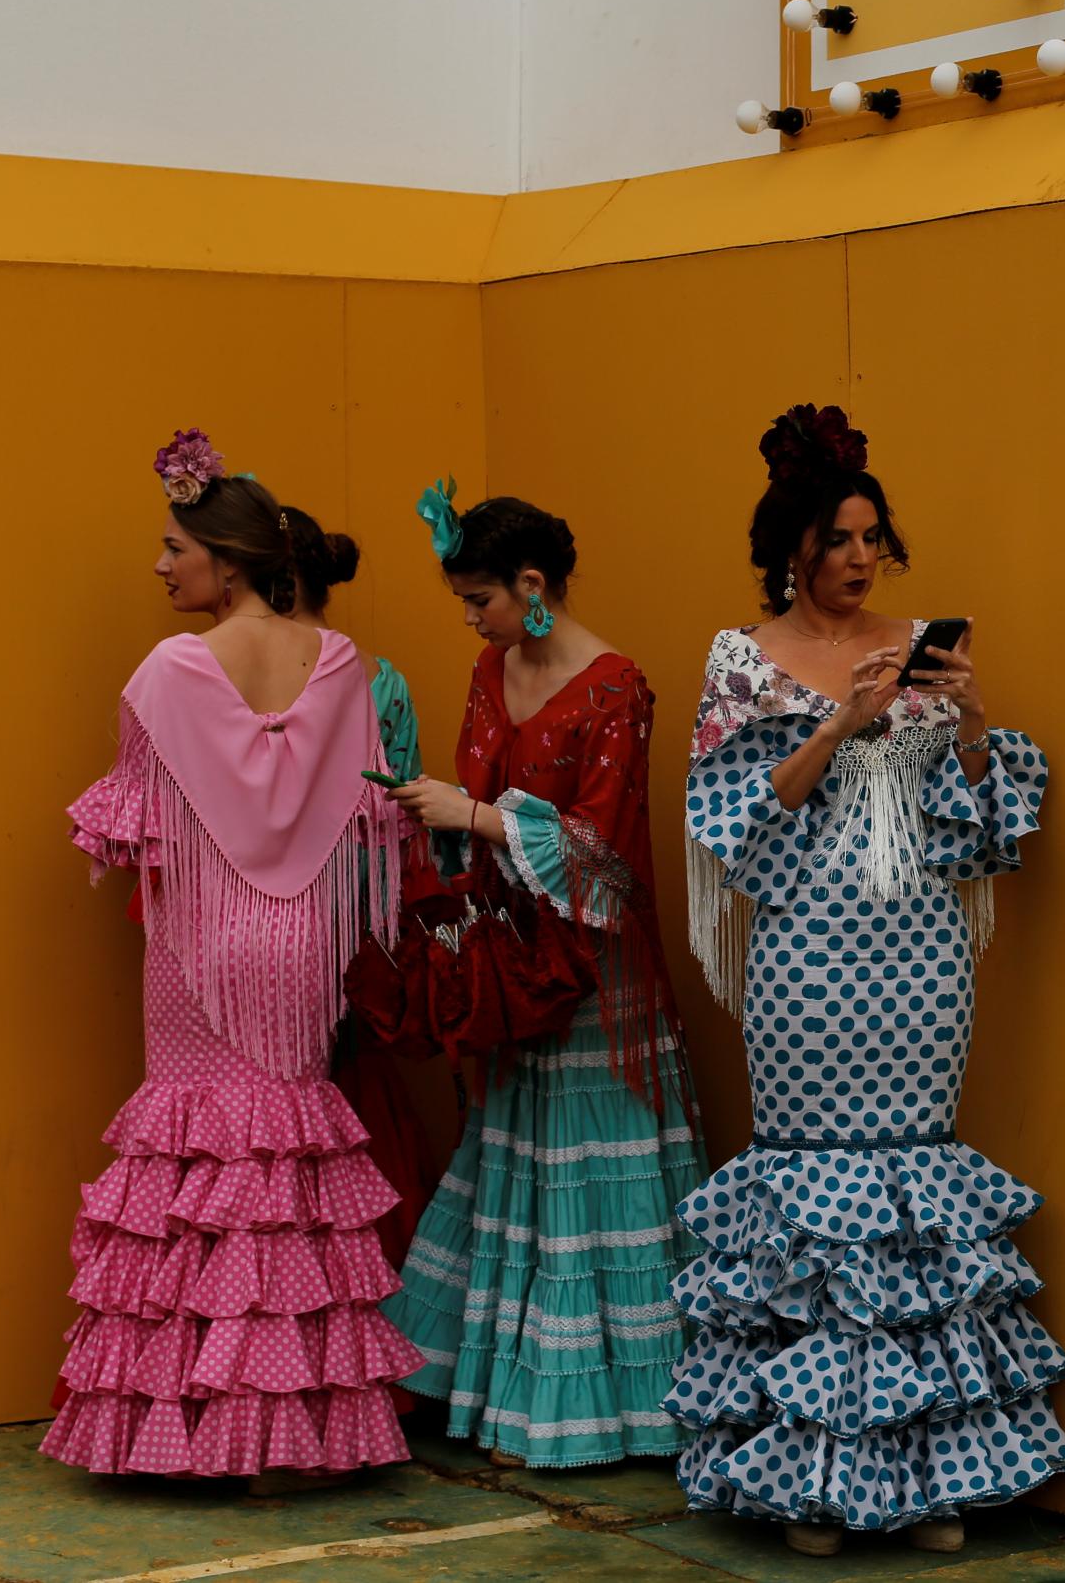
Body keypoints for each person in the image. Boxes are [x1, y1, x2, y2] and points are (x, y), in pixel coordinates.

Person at [665, 405, 1065, 1557]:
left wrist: (974, 715)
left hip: (922, 959)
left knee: (912, 1212)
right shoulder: (741, 661)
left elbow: (985, 832)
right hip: (807, 957)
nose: (858, 558)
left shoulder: (921, 650)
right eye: (837, 538)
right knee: (820, 1210)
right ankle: (812, 1480)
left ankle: (924, 1475)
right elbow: (733, 826)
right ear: (789, 547)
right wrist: (845, 719)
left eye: (870, 538)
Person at [44, 432, 422, 1478]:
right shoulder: (339, 662)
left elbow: (132, 822)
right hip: (302, 933)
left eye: (174, 547)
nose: (161, 567)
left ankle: (198, 1426)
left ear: (229, 556)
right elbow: (366, 809)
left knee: (198, 1153)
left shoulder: (171, 669)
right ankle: (298, 1431)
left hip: (201, 937)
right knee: (285, 1152)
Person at [377, 486, 703, 1469]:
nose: (471, 621)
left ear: (532, 586)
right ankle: (502, 1393)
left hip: (592, 976)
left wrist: (471, 818)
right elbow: (480, 800)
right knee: (514, 1159)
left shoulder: (616, 689)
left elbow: (605, 856)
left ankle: (607, 1413)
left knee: (582, 1180)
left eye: (479, 599)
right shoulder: (491, 666)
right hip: (510, 963)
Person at [282, 505, 440, 1274]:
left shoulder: (242, 685)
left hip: (282, 926)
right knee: (359, 1106)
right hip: (357, 924)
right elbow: (399, 830)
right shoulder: (383, 682)